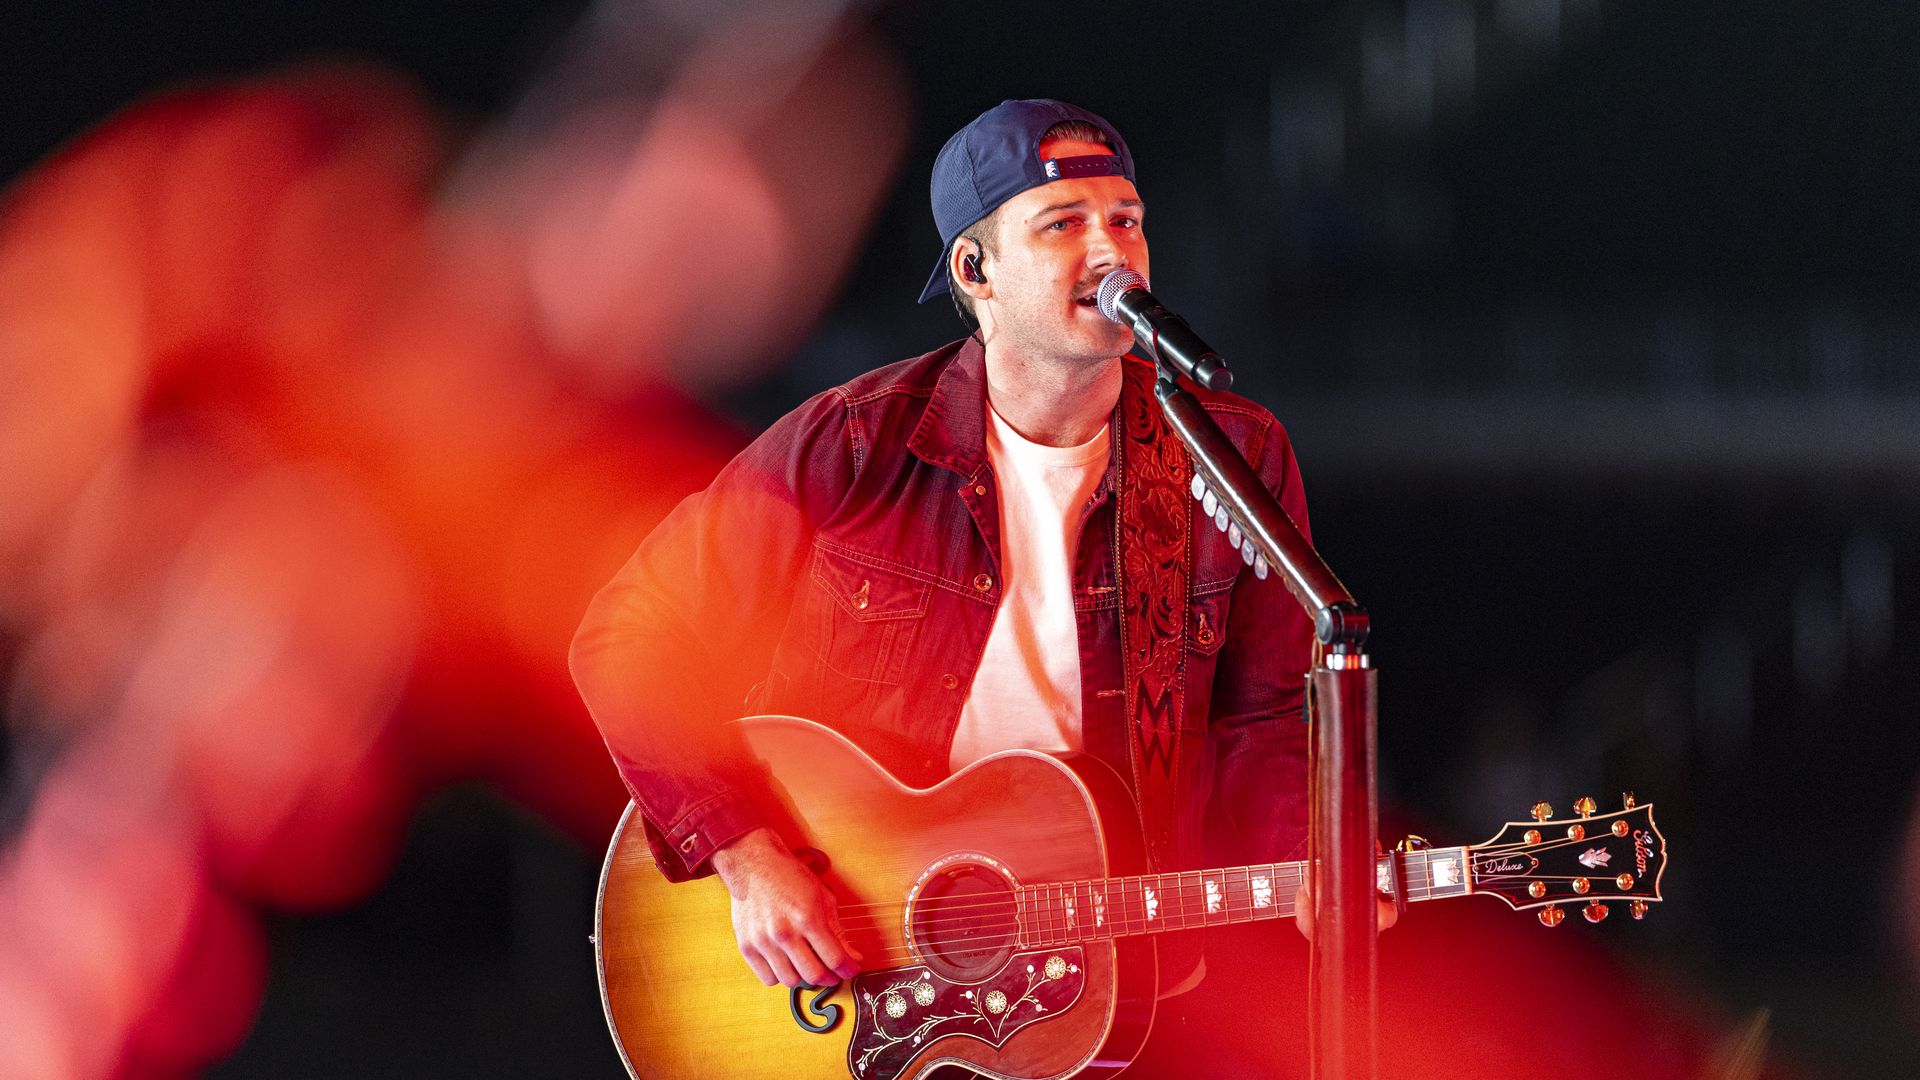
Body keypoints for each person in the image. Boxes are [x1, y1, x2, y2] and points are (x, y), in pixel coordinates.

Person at [570, 99, 1368, 1013]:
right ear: (975, 269)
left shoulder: (1230, 455)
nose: (1112, 251)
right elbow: (628, 635)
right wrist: (745, 854)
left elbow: (1268, 716)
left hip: (1121, 993)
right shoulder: (856, 444)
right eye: (1064, 224)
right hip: (856, 978)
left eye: (1127, 221)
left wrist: (1312, 860)